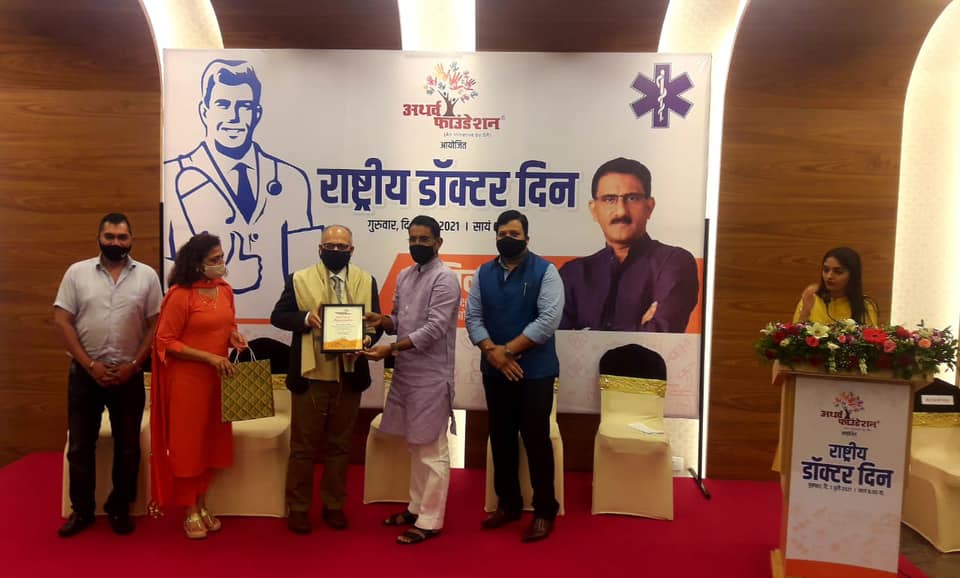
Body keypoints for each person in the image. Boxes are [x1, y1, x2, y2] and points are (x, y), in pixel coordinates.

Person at [164, 58, 316, 302]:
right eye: (223, 104)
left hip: (277, 321)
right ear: (204, 111)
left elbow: (303, 272)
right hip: (204, 317)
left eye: (244, 106)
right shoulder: (175, 178)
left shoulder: (292, 181)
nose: (234, 117)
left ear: (257, 114)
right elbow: (173, 275)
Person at [54, 213, 163, 537]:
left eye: (122, 237)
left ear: (132, 240)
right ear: (99, 238)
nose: (116, 242)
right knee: (79, 447)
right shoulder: (77, 273)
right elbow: (62, 320)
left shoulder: (147, 276)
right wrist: (90, 364)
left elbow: (156, 324)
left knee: (128, 448)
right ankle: (82, 511)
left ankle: (119, 508)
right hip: (85, 374)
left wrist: (135, 365)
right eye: (110, 237)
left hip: (129, 375)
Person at [270, 225, 382, 535]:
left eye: (341, 247)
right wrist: (306, 318)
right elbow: (279, 316)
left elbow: (375, 323)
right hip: (311, 374)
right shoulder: (299, 279)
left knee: (340, 446)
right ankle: (298, 507)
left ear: (351, 250)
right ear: (320, 249)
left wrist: (367, 340)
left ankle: (334, 505)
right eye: (329, 246)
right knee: (303, 447)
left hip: (349, 374)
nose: (335, 251)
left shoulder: (366, 280)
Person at [465, 210, 563, 542]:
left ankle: (544, 510)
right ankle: (508, 504)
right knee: (502, 438)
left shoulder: (546, 271)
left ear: (526, 238)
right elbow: (473, 318)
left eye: (514, 234)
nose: (508, 239)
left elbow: (548, 321)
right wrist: (491, 352)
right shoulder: (483, 273)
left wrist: (505, 351)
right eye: (502, 234)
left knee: (536, 441)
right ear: (495, 237)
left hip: (535, 373)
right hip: (495, 371)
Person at [364, 215, 460, 545]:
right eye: (413, 239)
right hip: (407, 374)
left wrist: (390, 348)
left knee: (432, 450)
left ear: (438, 242)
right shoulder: (405, 275)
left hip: (432, 376)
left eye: (424, 239)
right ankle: (417, 507)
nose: (417, 245)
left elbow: (434, 329)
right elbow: (399, 320)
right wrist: (382, 320)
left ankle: (430, 521)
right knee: (415, 446)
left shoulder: (446, 279)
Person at [150, 232, 248, 539]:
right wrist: (208, 357)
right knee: (188, 446)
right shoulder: (180, 295)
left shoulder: (225, 290)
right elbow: (165, 341)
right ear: (196, 263)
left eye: (222, 257)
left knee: (211, 444)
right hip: (188, 382)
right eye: (214, 259)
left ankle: (203, 502)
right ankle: (189, 508)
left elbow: (227, 325)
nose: (221, 263)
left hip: (219, 380)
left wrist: (233, 337)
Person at [559, 157, 699, 332]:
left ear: (649, 207)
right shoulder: (573, 274)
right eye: (609, 199)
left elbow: (660, 334)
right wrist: (639, 329)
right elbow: (556, 340)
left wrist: (588, 335)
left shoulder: (674, 262)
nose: (621, 211)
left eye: (632, 198)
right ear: (593, 209)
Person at [793, 247, 879, 326]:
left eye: (838, 272)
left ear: (853, 276)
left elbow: (872, 336)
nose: (829, 276)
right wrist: (805, 311)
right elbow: (794, 335)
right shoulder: (811, 298)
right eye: (826, 270)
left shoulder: (865, 306)